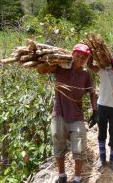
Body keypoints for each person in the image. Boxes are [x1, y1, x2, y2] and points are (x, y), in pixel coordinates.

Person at [37, 43, 97, 183]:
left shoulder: (85, 74)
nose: (80, 59)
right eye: (77, 56)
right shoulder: (60, 67)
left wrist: (95, 112)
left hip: (77, 116)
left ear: (87, 59)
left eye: (83, 58)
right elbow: (41, 69)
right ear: (72, 54)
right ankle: (62, 176)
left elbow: (92, 93)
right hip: (59, 114)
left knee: (79, 148)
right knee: (58, 145)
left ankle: (77, 178)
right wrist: (45, 58)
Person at [87, 54, 113, 172]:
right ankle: (102, 159)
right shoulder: (104, 71)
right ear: (112, 63)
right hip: (102, 106)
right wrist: (91, 54)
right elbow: (89, 66)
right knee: (102, 132)